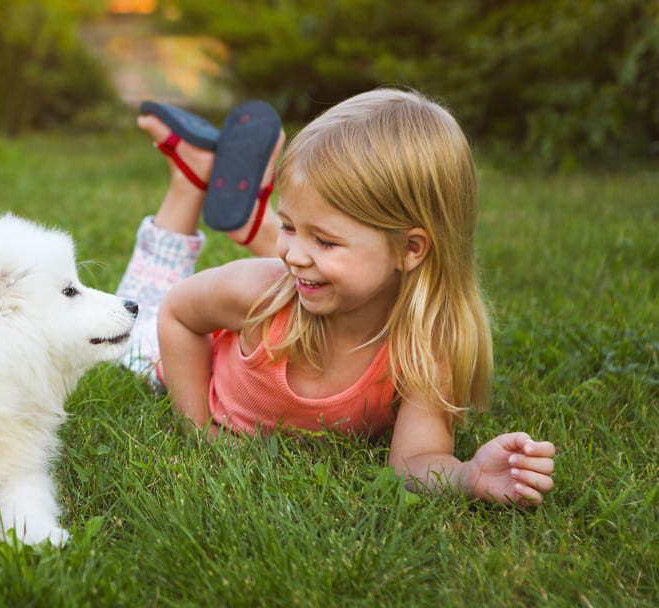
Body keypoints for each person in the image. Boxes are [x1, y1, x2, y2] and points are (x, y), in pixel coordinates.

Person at [116, 89, 556, 505]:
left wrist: (468, 475)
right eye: (287, 227)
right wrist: (197, 429)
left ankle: (228, 199)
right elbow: (175, 312)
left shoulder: (424, 347)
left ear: (410, 249)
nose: (292, 253)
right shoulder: (259, 292)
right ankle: (190, 181)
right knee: (134, 316)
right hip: (174, 355)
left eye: (324, 240)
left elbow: (413, 463)